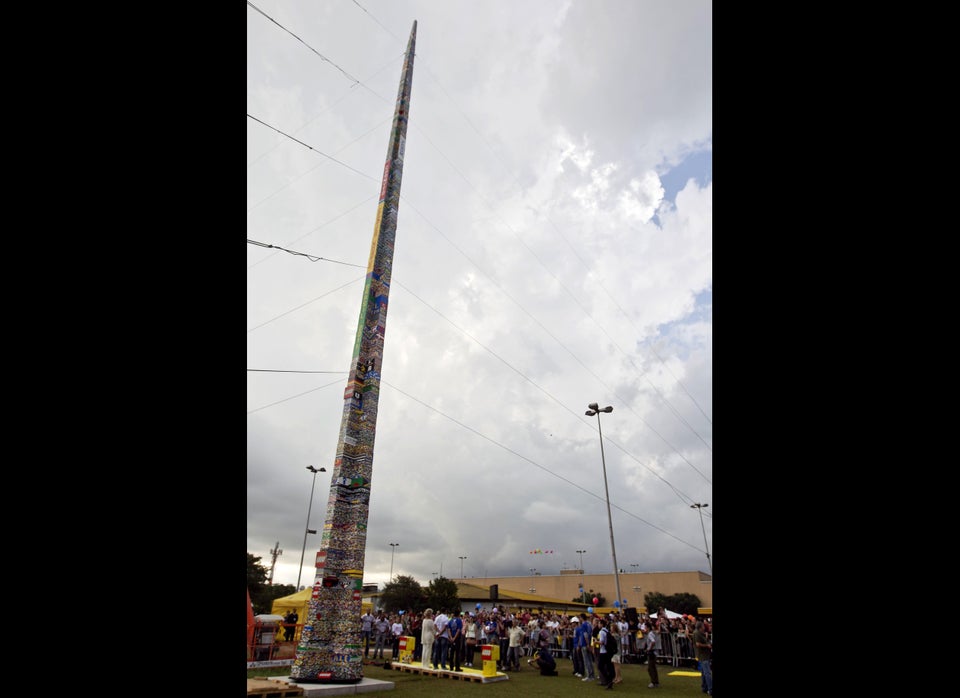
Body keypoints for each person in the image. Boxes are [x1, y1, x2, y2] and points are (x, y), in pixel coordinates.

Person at [692, 620, 712, 695]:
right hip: (703, 655)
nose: (704, 627)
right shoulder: (697, 633)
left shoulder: (699, 633)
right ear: (700, 627)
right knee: (707, 673)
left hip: (704, 655)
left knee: (704, 672)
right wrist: (707, 645)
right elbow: (698, 644)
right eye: (703, 626)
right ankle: (710, 689)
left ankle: (705, 687)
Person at [576, 613, 596, 682]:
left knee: (586, 660)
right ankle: (592, 674)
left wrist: (587, 644)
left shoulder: (583, 625)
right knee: (590, 660)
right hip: (588, 644)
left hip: (585, 644)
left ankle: (589, 676)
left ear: (582, 618)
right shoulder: (589, 624)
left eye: (580, 618)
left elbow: (585, 635)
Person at [596, 618, 614, 689]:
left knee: (600, 666)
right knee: (608, 666)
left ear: (602, 624)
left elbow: (602, 642)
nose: (598, 625)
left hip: (603, 651)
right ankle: (609, 680)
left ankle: (607, 679)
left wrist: (596, 642)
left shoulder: (601, 632)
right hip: (608, 651)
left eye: (599, 623)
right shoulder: (607, 631)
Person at [645, 619, 661, 688]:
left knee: (650, 668)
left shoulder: (650, 634)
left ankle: (653, 682)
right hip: (654, 652)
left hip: (652, 652)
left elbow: (653, 641)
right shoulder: (652, 633)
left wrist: (649, 649)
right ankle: (656, 682)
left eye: (645, 627)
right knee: (653, 667)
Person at [610, 620, 623, 685]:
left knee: (616, 665)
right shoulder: (616, 635)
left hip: (616, 651)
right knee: (615, 665)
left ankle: (618, 677)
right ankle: (617, 677)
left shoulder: (615, 635)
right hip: (616, 651)